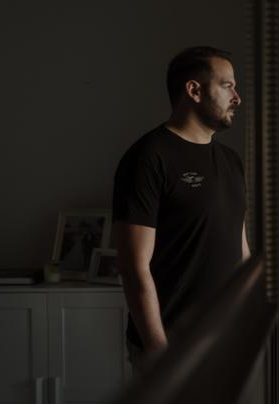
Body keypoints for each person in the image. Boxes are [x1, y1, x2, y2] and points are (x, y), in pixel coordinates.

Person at [112, 46, 250, 366]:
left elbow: (239, 247)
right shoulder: (148, 158)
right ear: (194, 90)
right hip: (172, 346)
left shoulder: (231, 161)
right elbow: (134, 268)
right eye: (227, 85)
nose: (237, 97)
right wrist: (159, 354)